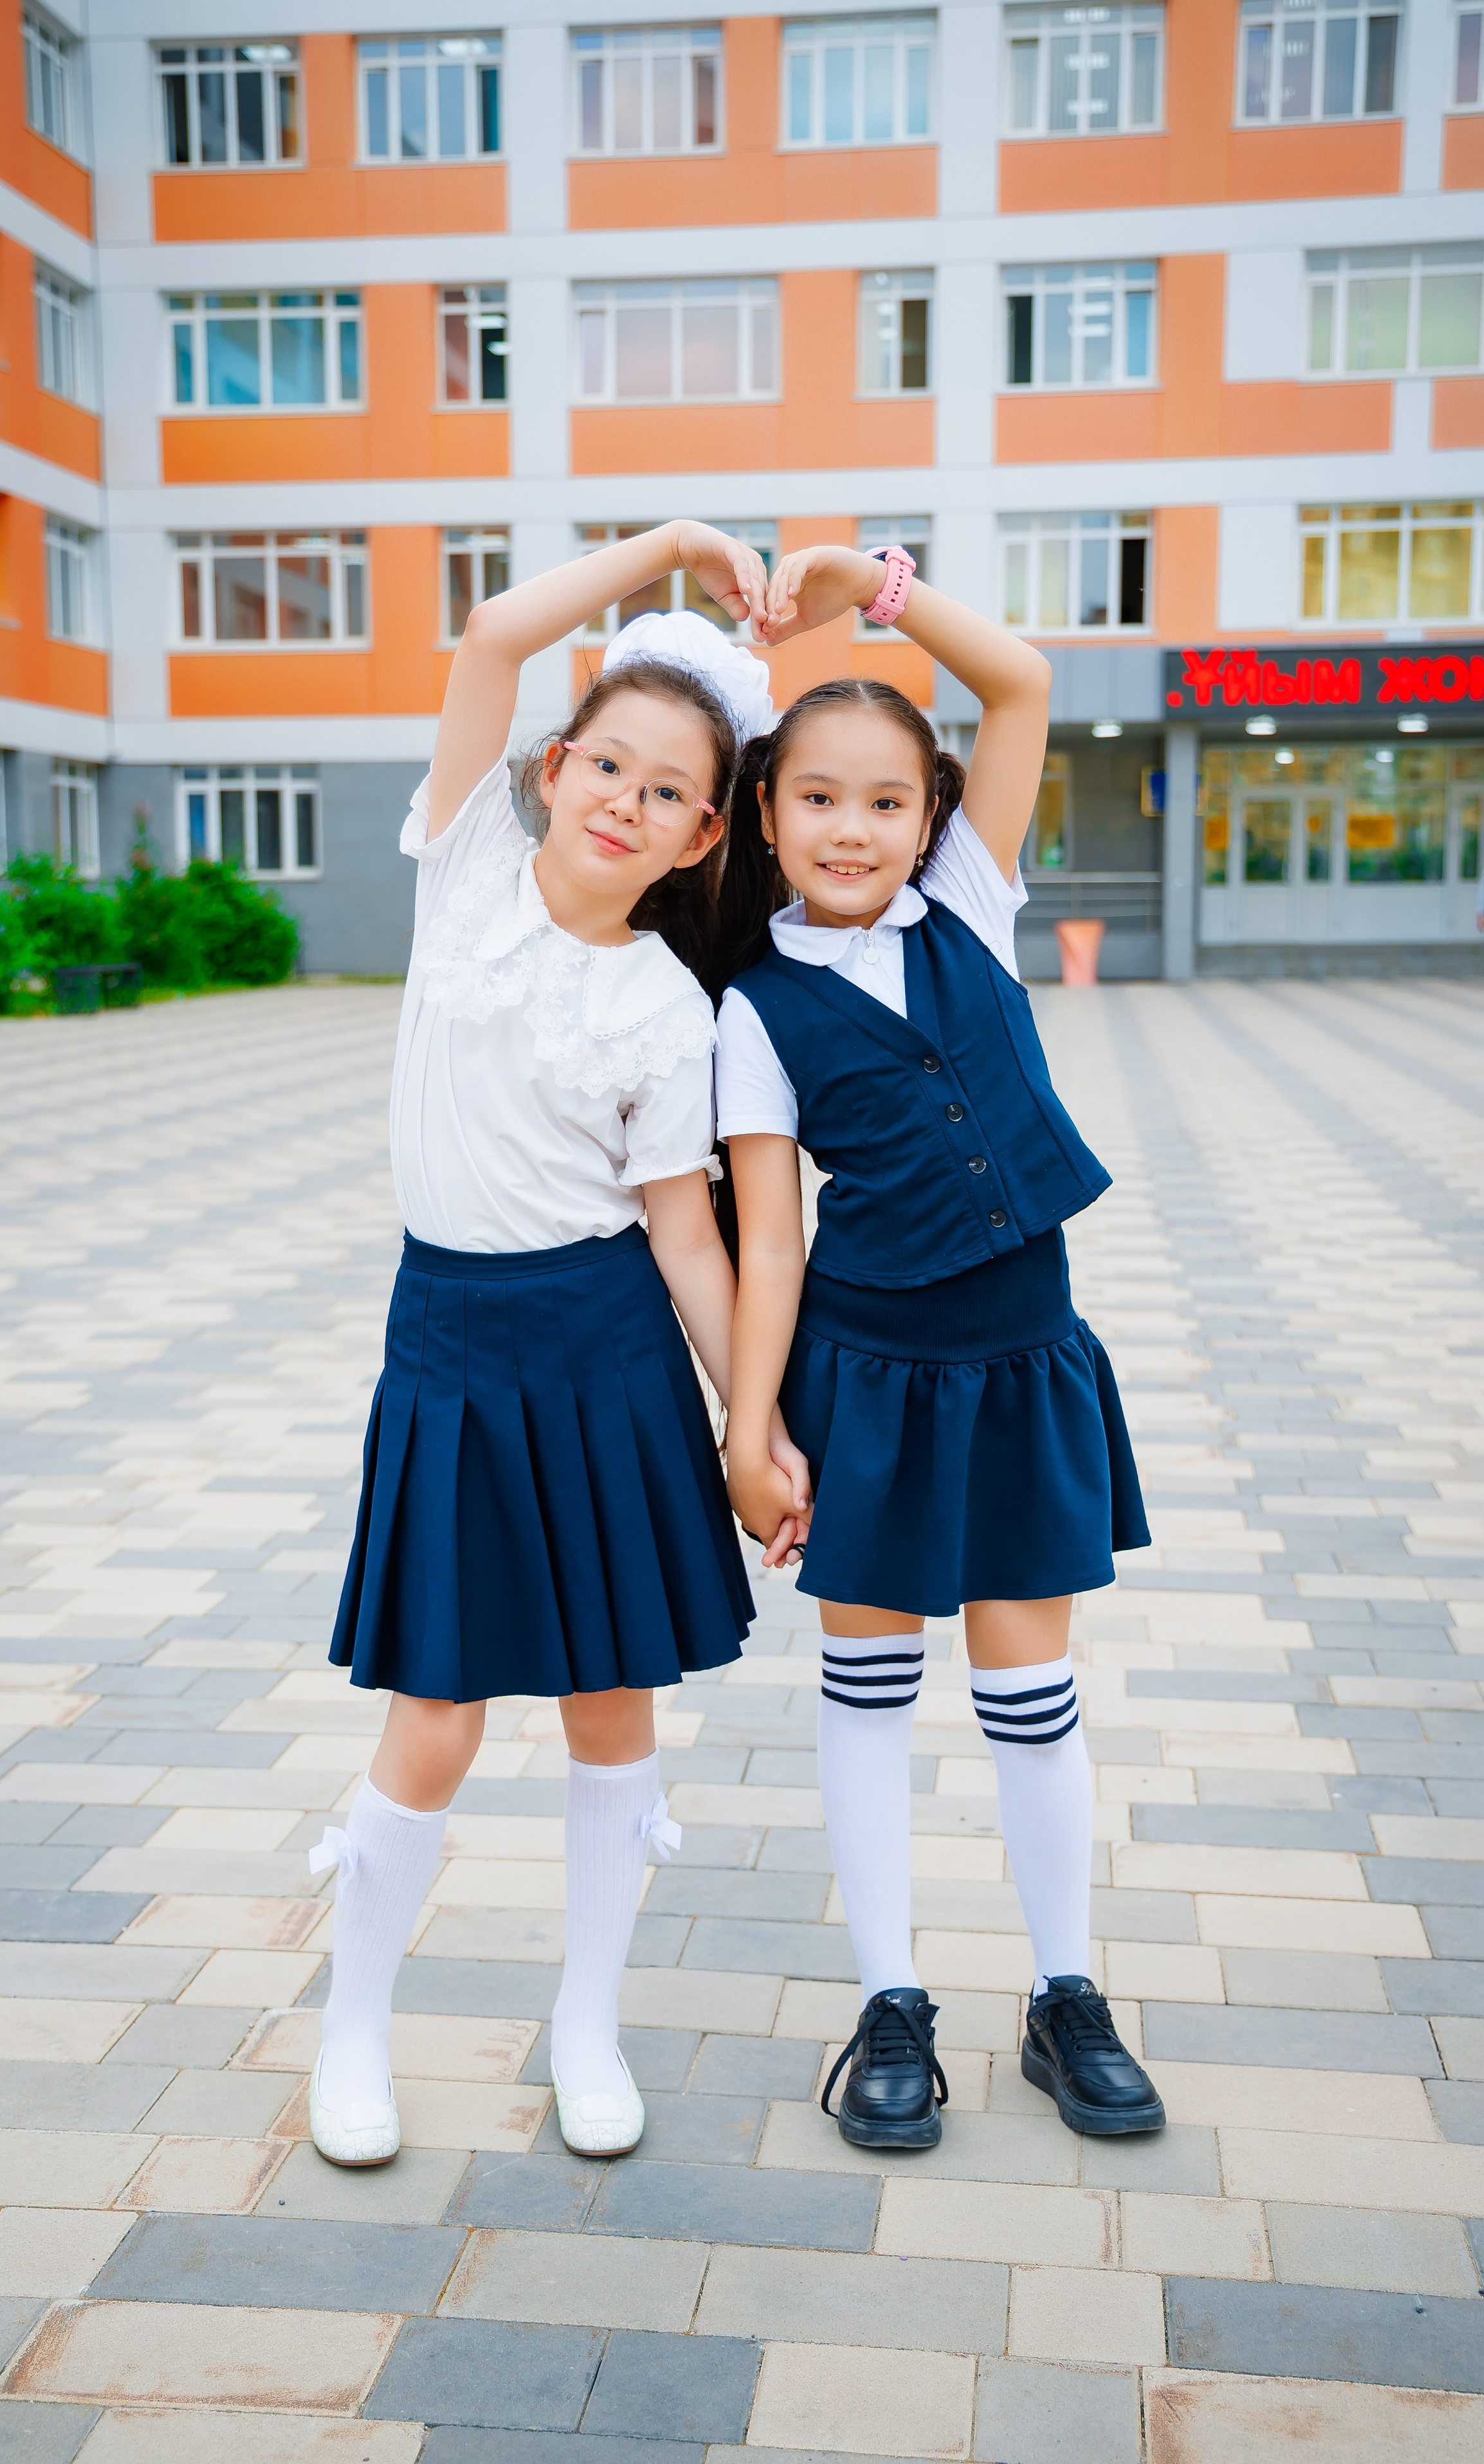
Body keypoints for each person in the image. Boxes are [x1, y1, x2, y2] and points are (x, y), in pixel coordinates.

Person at [312, 524, 810, 2169]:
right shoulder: (458, 861)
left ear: (703, 834)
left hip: (601, 1357)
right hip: (449, 1339)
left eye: (674, 789)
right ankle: (353, 2034)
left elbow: (683, 1235)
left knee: (612, 1708)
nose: (631, 800)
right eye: (611, 761)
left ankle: (585, 2031)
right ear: (553, 762)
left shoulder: (670, 1006)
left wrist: (749, 1430)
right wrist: (664, 550)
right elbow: (490, 630)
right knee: (434, 1715)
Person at [713, 540, 1164, 2149]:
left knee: (1030, 1683)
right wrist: (747, 1431)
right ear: (768, 817)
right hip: (866, 1375)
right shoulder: (752, 1008)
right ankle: (888, 1999)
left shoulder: (966, 900)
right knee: (868, 1685)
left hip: (1024, 1355)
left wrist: (865, 585)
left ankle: (1063, 1993)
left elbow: (1024, 682)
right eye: (817, 800)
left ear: (930, 818)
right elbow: (768, 1238)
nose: (853, 830)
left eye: (885, 802)